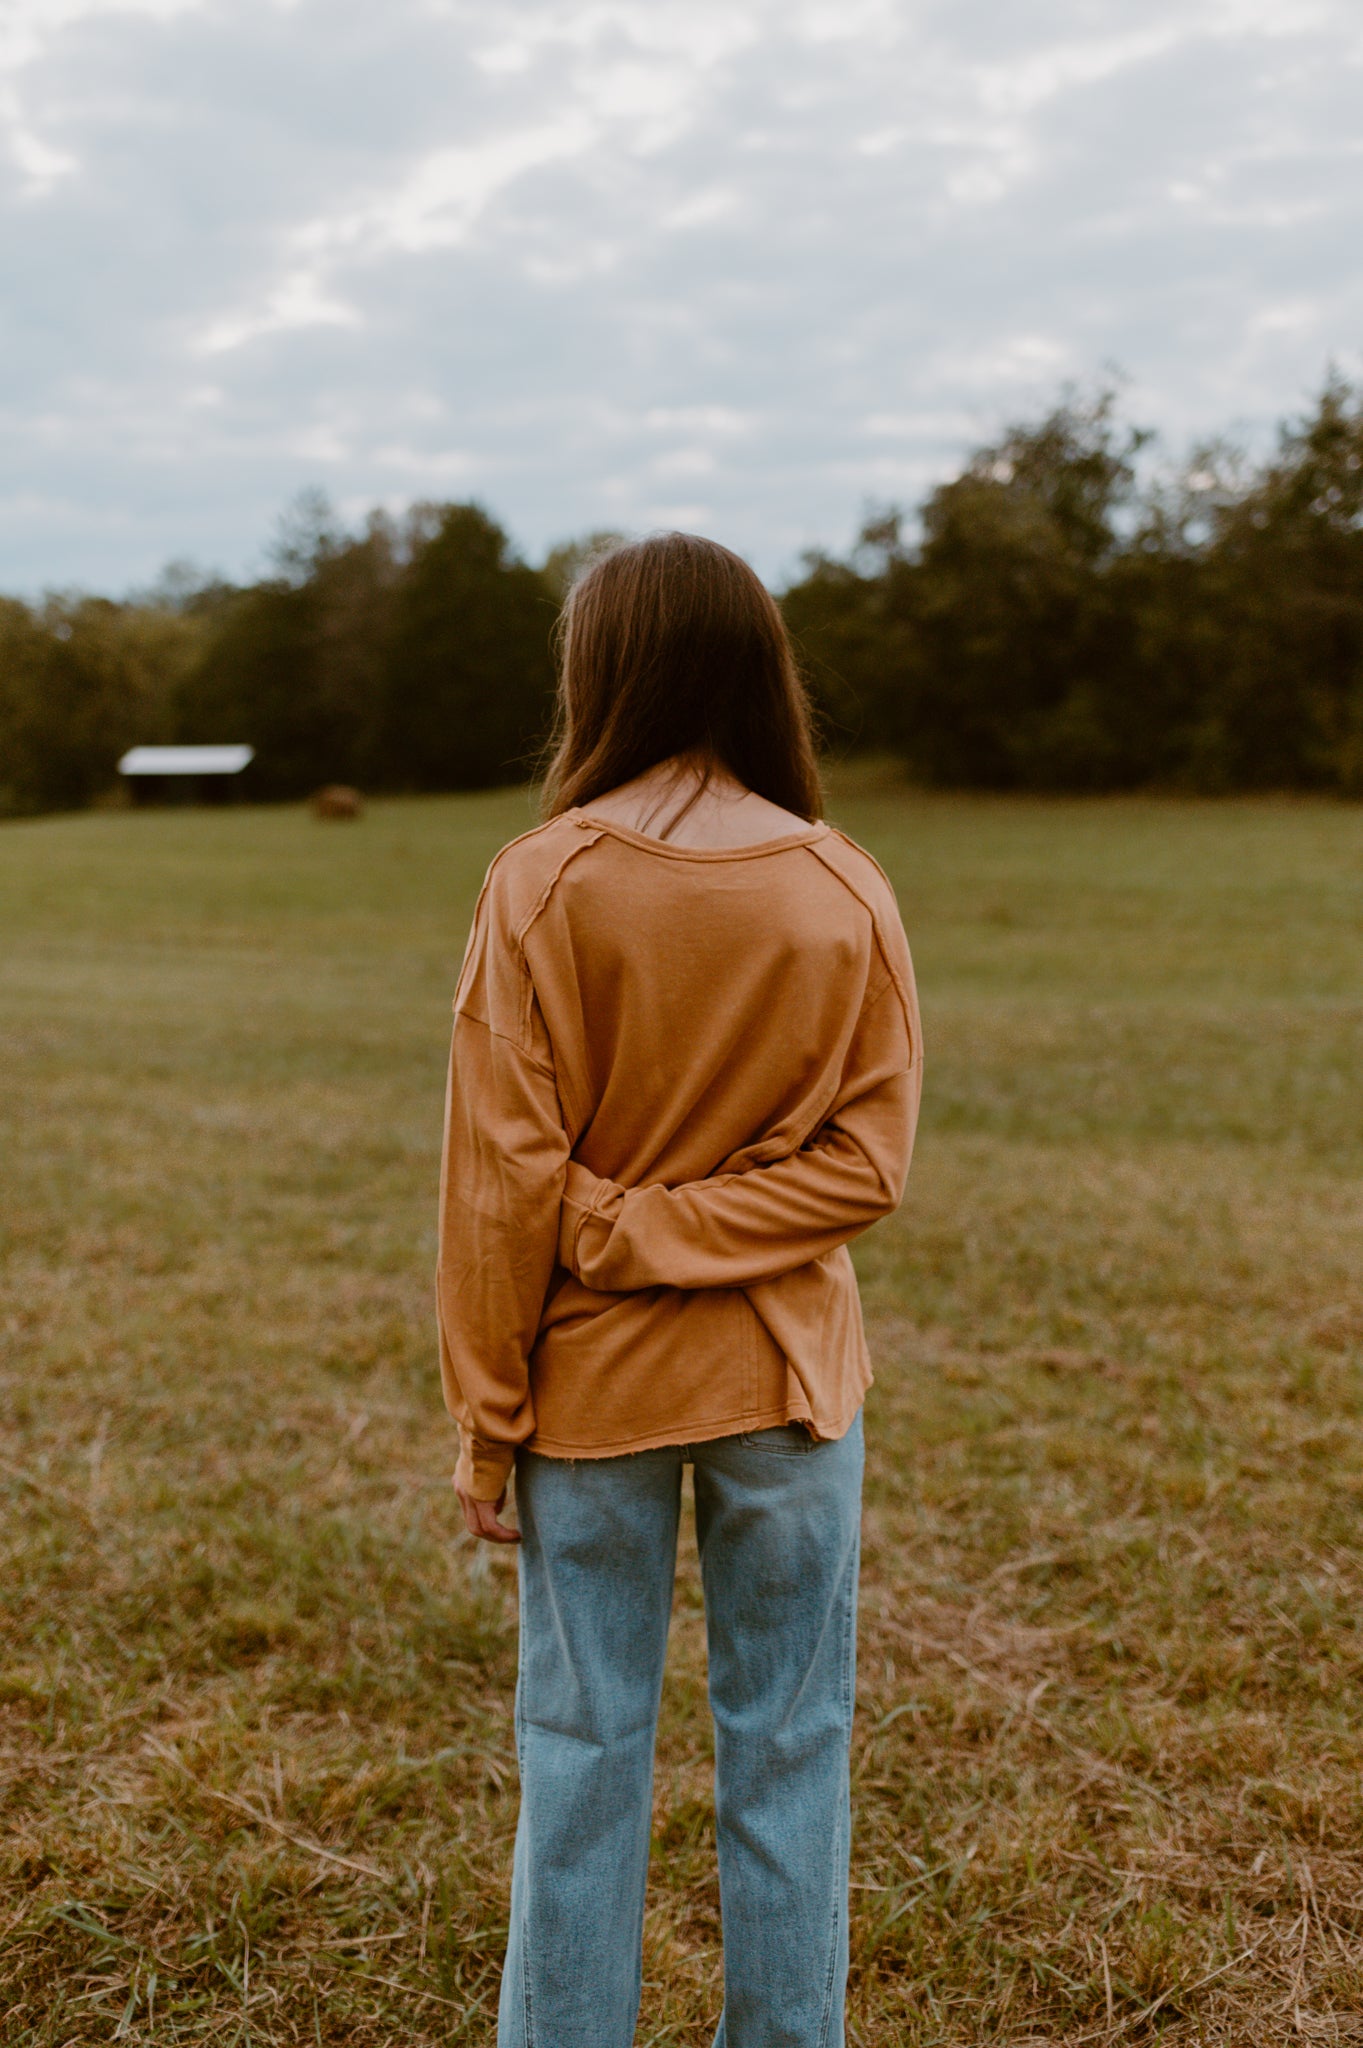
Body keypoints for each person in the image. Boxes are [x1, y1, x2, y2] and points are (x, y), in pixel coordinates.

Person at [436, 531, 923, 2048]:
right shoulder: (843, 884)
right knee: (794, 1745)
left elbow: (501, 1191)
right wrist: (691, 1226)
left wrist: (490, 1412)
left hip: (591, 1393)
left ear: (603, 670)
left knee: (580, 1754)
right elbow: (866, 1167)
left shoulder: (541, 881)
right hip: (789, 1388)